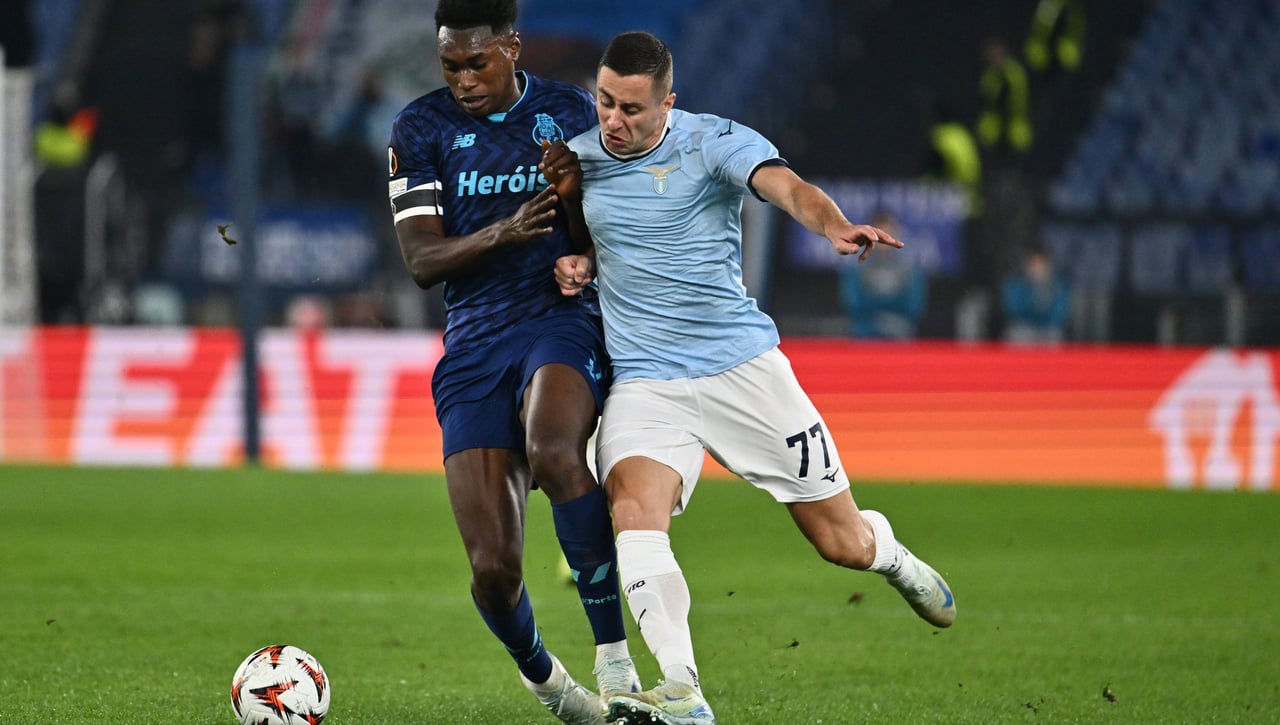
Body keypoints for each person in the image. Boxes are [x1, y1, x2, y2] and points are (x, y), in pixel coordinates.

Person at [541, 31, 956, 725]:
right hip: (646, 380)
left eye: (632, 109)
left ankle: (891, 556)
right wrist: (575, 262)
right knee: (633, 512)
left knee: (841, 543)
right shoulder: (580, 160)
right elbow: (583, 242)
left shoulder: (712, 142)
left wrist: (832, 224)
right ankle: (682, 687)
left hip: (743, 372)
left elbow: (788, 188)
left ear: (667, 104)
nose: (613, 119)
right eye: (605, 101)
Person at [385, 2, 638, 723]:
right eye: (450, 66)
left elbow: (602, 237)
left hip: (558, 319)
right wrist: (505, 230)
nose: (463, 80)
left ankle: (615, 663)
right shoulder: (421, 128)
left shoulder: (570, 112)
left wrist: (575, 206)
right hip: (473, 345)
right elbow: (421, 261)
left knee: (554, 450)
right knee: (494, 569)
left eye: (477, 63)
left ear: (512, 48)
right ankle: (549, 682)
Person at [838, 209, 928, 340]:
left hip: (900, 331)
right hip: (864, 333)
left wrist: (889, 319)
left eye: (889, 233)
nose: (884, 240)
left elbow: (913, 305)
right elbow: (853, 302)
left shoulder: (910, 268)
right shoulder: (856, 266)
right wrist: (877, 319)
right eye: (879, 235)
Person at [1000, 246, 1071, 344]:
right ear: (1027, 265)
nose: (1037, 268)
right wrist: (1031, 290)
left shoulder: (1059, 285)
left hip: (1049, 328)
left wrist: (1043, 289)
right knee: (1017, 332)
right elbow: (1013, 309)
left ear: (1048, 266)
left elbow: (1061, 313)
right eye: (1034, 264)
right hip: (1024, 326)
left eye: (1041, 264)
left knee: (1056, 334)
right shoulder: (1015, 283)